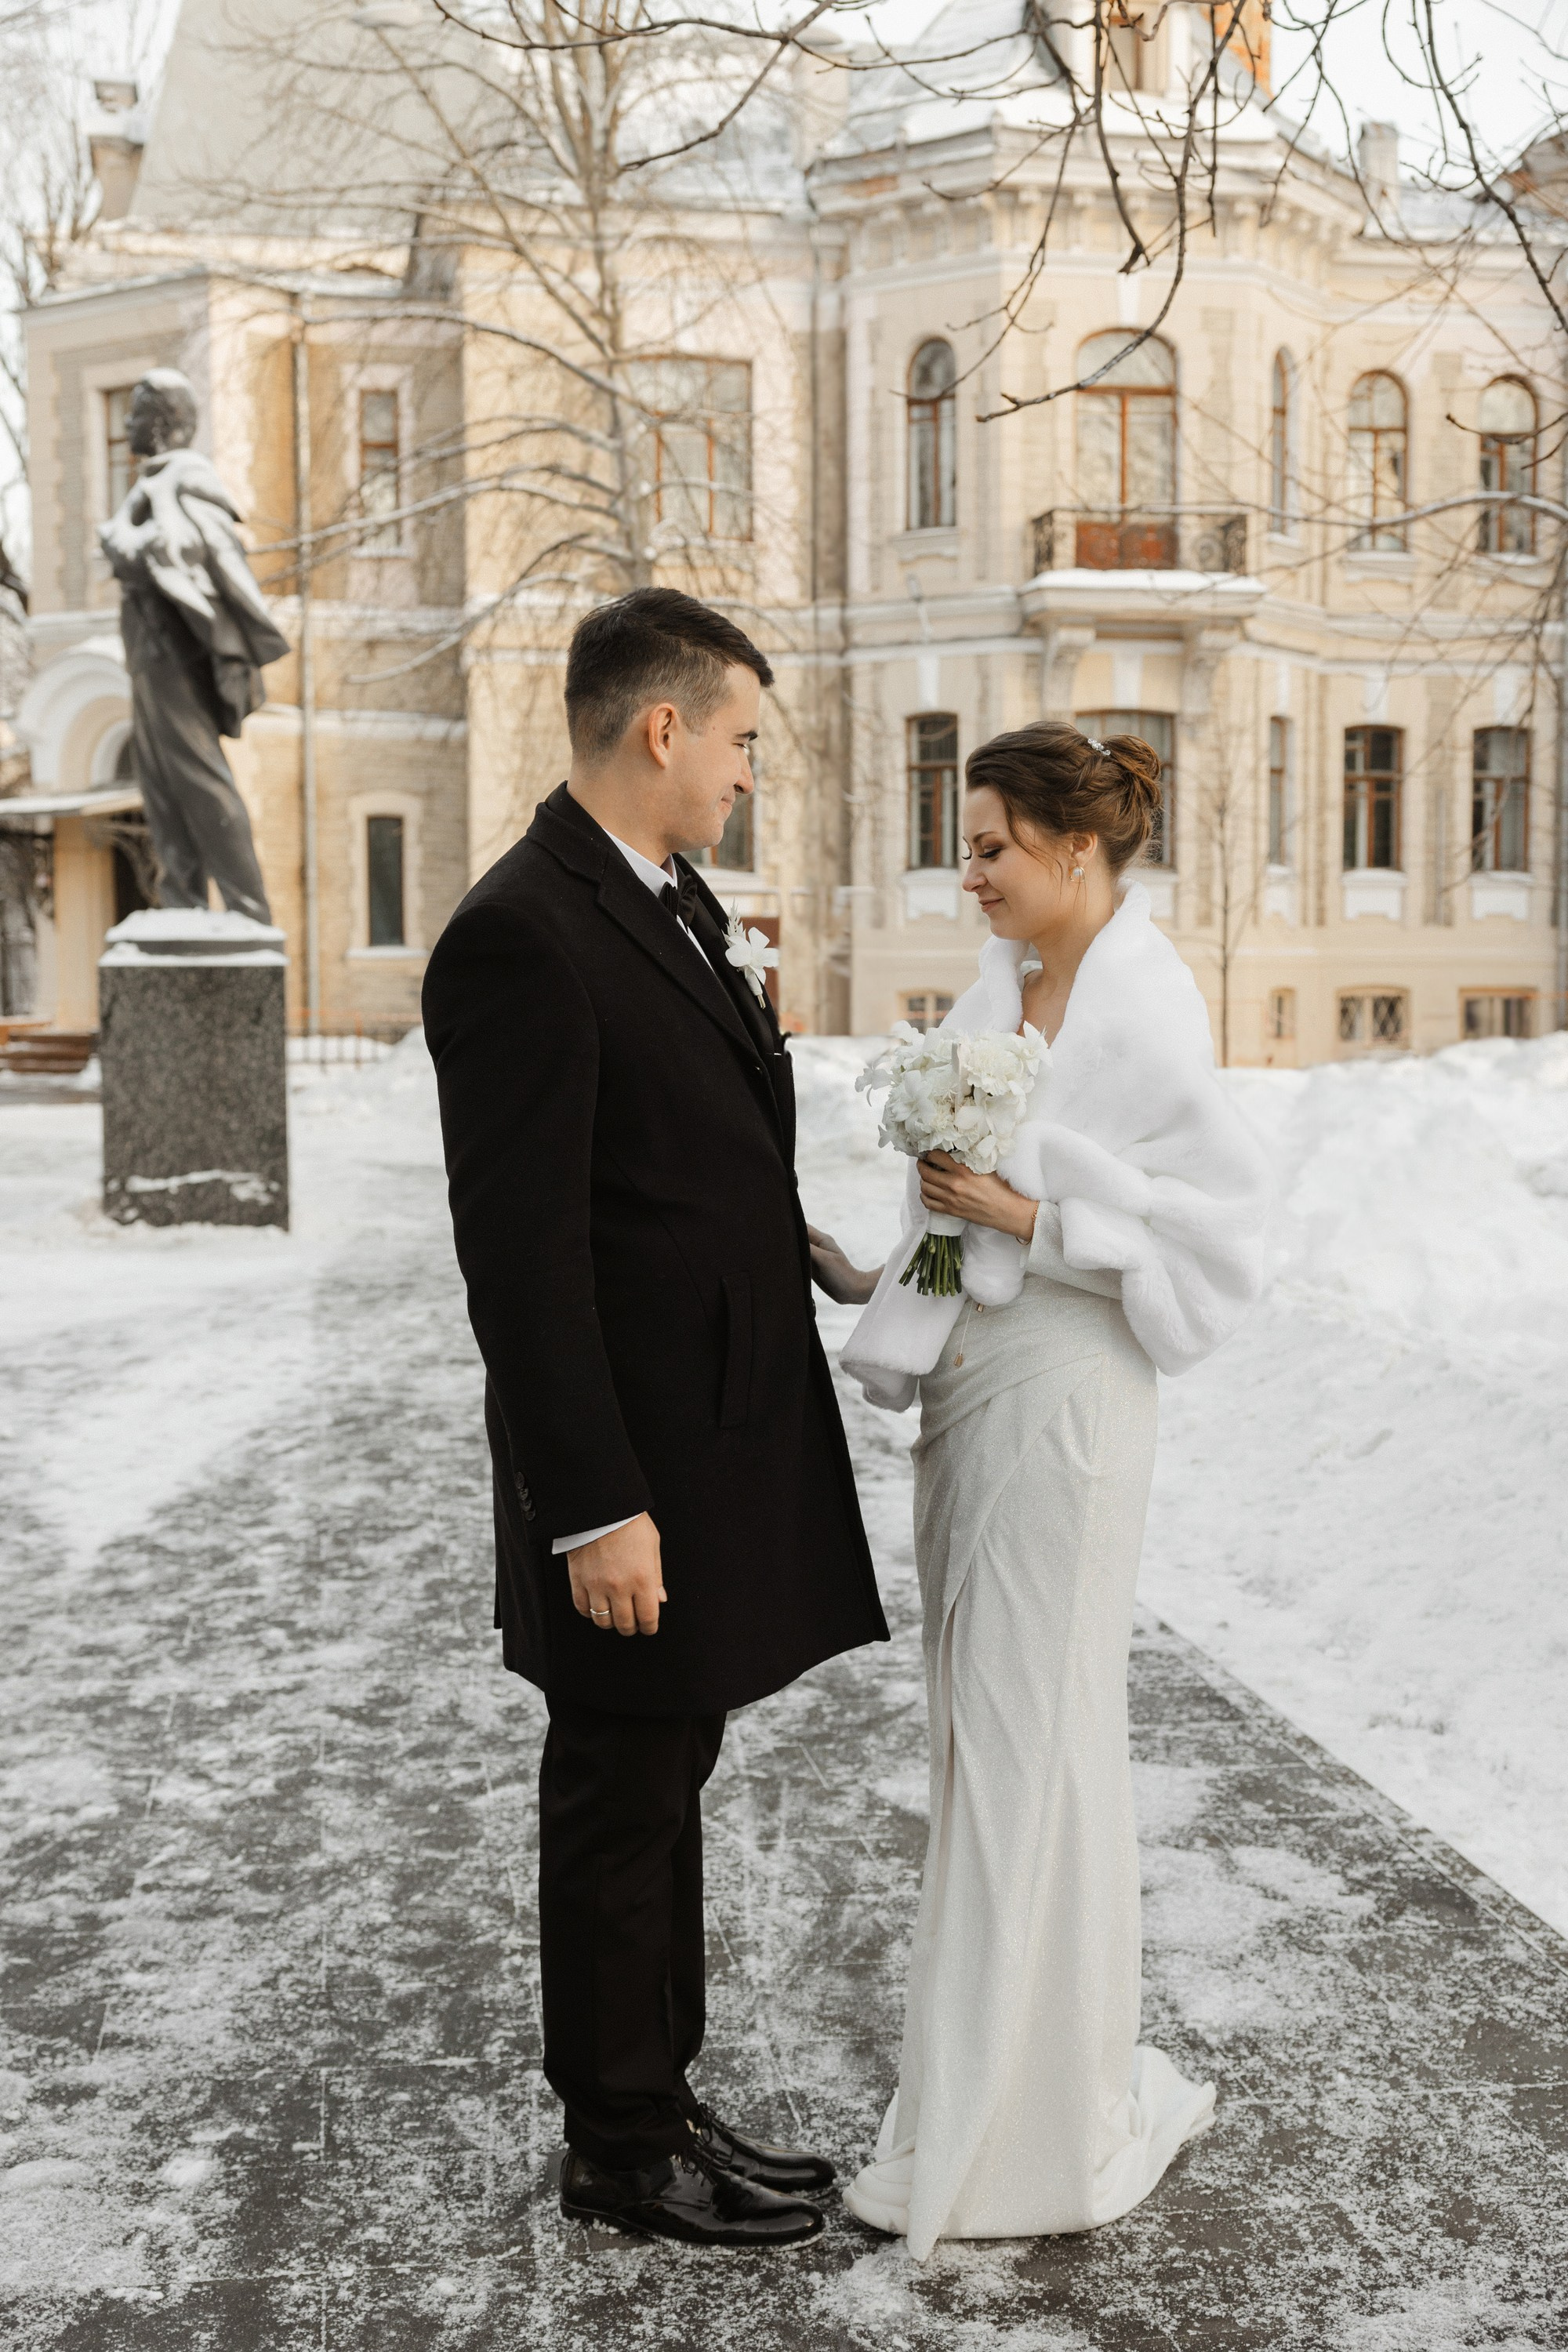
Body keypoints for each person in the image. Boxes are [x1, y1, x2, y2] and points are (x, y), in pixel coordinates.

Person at [423, 586, 889, 2249]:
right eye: (742, 740)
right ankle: (617, 2148)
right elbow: (523, 1255)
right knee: (621, 1790)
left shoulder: (666, 894)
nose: (750, 772)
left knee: (666, 1766)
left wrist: (795, 1242)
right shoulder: (521, 932)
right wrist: (593, 1505)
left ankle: (659, 2096)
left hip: (709, 1429)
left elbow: (673, 1148)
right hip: (624, 1462)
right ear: (662, 726)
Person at [809, 720, 1271, 2260]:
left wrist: (1029, 1216)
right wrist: (877, 1274)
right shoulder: (996, 995)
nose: (973, 871)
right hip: (974, 1396)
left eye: (995, 844)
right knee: (981, 1737)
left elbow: (1212, 1246)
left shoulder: (1148, 1010)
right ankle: (992, 2086)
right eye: (969, 844)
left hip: (1073, 1401)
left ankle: (1036, 2133)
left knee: (1040, 1736)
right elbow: (960, 1218)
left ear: (1080, 848)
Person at [98, 368, 287, 924]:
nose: (128, 423)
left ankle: (249, 910)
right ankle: (181, 898)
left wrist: (123, 543)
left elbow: (185, 548)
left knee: (199, 778)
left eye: (136, 413)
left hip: (176, 655)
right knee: (159, 784)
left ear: (163, 423)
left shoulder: (188, 476)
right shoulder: (151, 483)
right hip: (148, 655)